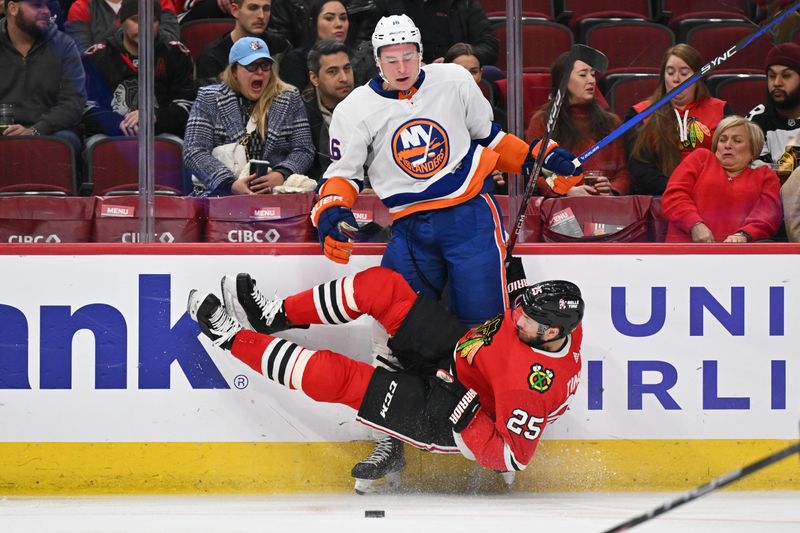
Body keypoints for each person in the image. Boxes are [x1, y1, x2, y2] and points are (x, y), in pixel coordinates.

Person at [312, 15, 581, 487]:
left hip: (470, 219)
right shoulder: (356, 108)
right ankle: (388, 439)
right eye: (391, 59)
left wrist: (542, 154)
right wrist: (332, 210)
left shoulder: (454, 81)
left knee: (485, 331)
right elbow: (344, 174)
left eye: (408, 56)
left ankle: (495, 434)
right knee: (391, 327)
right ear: (376, 60)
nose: (401, 66)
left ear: (421, 52)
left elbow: (491, 137)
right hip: (412, 229)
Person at [187, 266, 585, 492]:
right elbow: (523, 309)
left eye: (527, 318)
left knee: (337, 375)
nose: (516, 317)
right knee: (382, 287)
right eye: (521, 310)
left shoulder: (529, 389)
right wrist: (516, 275)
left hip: (449, 413)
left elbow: (510, 457)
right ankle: (274, 316)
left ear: (550, 333)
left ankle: (231, 338)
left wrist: (463, 412)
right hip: (459, 354)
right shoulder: (559, 327)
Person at [184, 36, 314, 196]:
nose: (259, 72)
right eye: (251, 66)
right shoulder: (209, 99)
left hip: (275, 194)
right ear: (234, 71)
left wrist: (281, 174)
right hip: (220, 195)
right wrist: (229, 183)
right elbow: (194, 151)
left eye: (265, 66)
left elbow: (304, 149)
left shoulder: (289, 97)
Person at [625, 44, 734, 196]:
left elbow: (733, 159)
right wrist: (678, 191)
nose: (676, 79)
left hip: (712, 196)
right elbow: (640, 169)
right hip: (661, 197)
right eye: (670, 73)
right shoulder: (640, 114)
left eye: (684, 73)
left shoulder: (721, 110)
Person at [82, 0, 196, 138]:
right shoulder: (98, 56)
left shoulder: (176, 54)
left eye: (152, 20)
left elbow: (187, 104)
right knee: (97, 146)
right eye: (136, 20)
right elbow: (85, 106)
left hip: (161, 132)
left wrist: (154, 117)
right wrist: (118, 123)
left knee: (174, 144)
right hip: (109, 133)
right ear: (122, 21)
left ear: (159, 23)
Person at [662, 116, 783, 243]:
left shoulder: (764, 176)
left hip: (738, 255)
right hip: (685, 251)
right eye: (722, 140)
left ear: (753, 150)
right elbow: (674, 196)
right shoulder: (700, 158)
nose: (728, 145)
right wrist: (694, 224)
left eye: (737, 141)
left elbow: (768, 214)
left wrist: (743, 235)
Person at [526, 51, 630, 197]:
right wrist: (567, 191)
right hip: (561, 209)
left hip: (605, 207)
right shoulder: (543, 121)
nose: (591, 80)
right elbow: (536, 171)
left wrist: (612, 189)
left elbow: (623, 171)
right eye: (583, 75)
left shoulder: (611, 122)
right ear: (564, 80)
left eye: (593, 75)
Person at [0, 0, 86, 153]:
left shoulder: (64, 45)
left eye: (47, 5)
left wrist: (35, 130)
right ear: (13, 8)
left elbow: (73, 102)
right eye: (37, 5)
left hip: (49, 130)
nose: (46, 11)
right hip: (3, 128)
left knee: (63, 142)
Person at [278, 0, 374, 90]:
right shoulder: (295, 61)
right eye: (329, 18)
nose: (339, 24)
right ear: (314, 22)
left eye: (343, 18)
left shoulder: (360, 59)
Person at [195, 0, 291, 87]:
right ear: (235, 10)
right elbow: (211, 101)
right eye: (253, 8)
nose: (261, 16)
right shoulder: (212, 57)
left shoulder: (280, 47)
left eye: (266, 9)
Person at [376, 0, 498, 67]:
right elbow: (369, 47)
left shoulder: (463, 3)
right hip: (403, 70)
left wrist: (456, 60)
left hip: (453, 73)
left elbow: (489, 45)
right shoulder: (386, 4)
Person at [302, 39, 354, 181]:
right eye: (333, 71)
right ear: (314, 78)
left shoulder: (369, 103)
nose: (344, 78)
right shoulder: (301, 113)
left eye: (347, 68)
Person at [66, 0, 179, 53]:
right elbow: (82, 54)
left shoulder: (159, 1)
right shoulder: (81, 7)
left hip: (156, 74)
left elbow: (171, 42)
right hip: (106, 81)